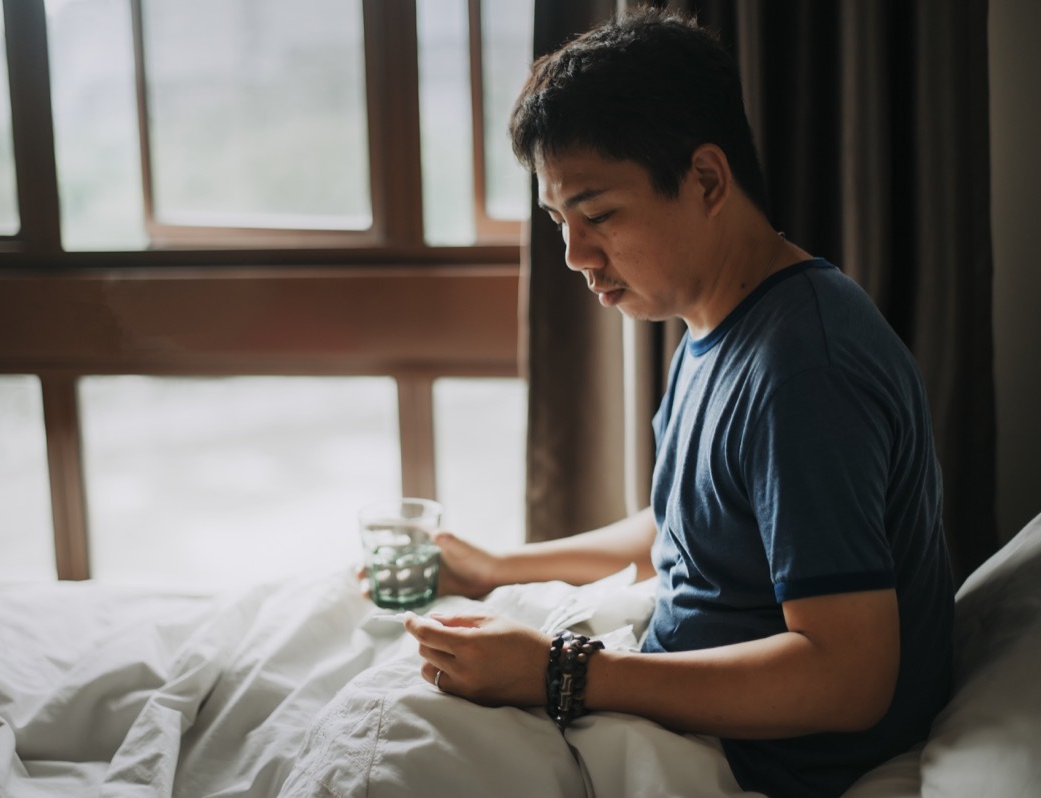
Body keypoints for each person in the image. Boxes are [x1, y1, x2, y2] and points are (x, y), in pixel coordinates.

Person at [399, 7, 954, 798]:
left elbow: (849, 677)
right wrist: (494, 567)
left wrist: (563, 672)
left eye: (598, 216)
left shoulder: (806, 370)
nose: (575, 257)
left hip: (759, 760)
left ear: (706, 180)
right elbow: (693, 524)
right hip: (675, 705)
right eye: (559, 221)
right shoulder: (716, 322)